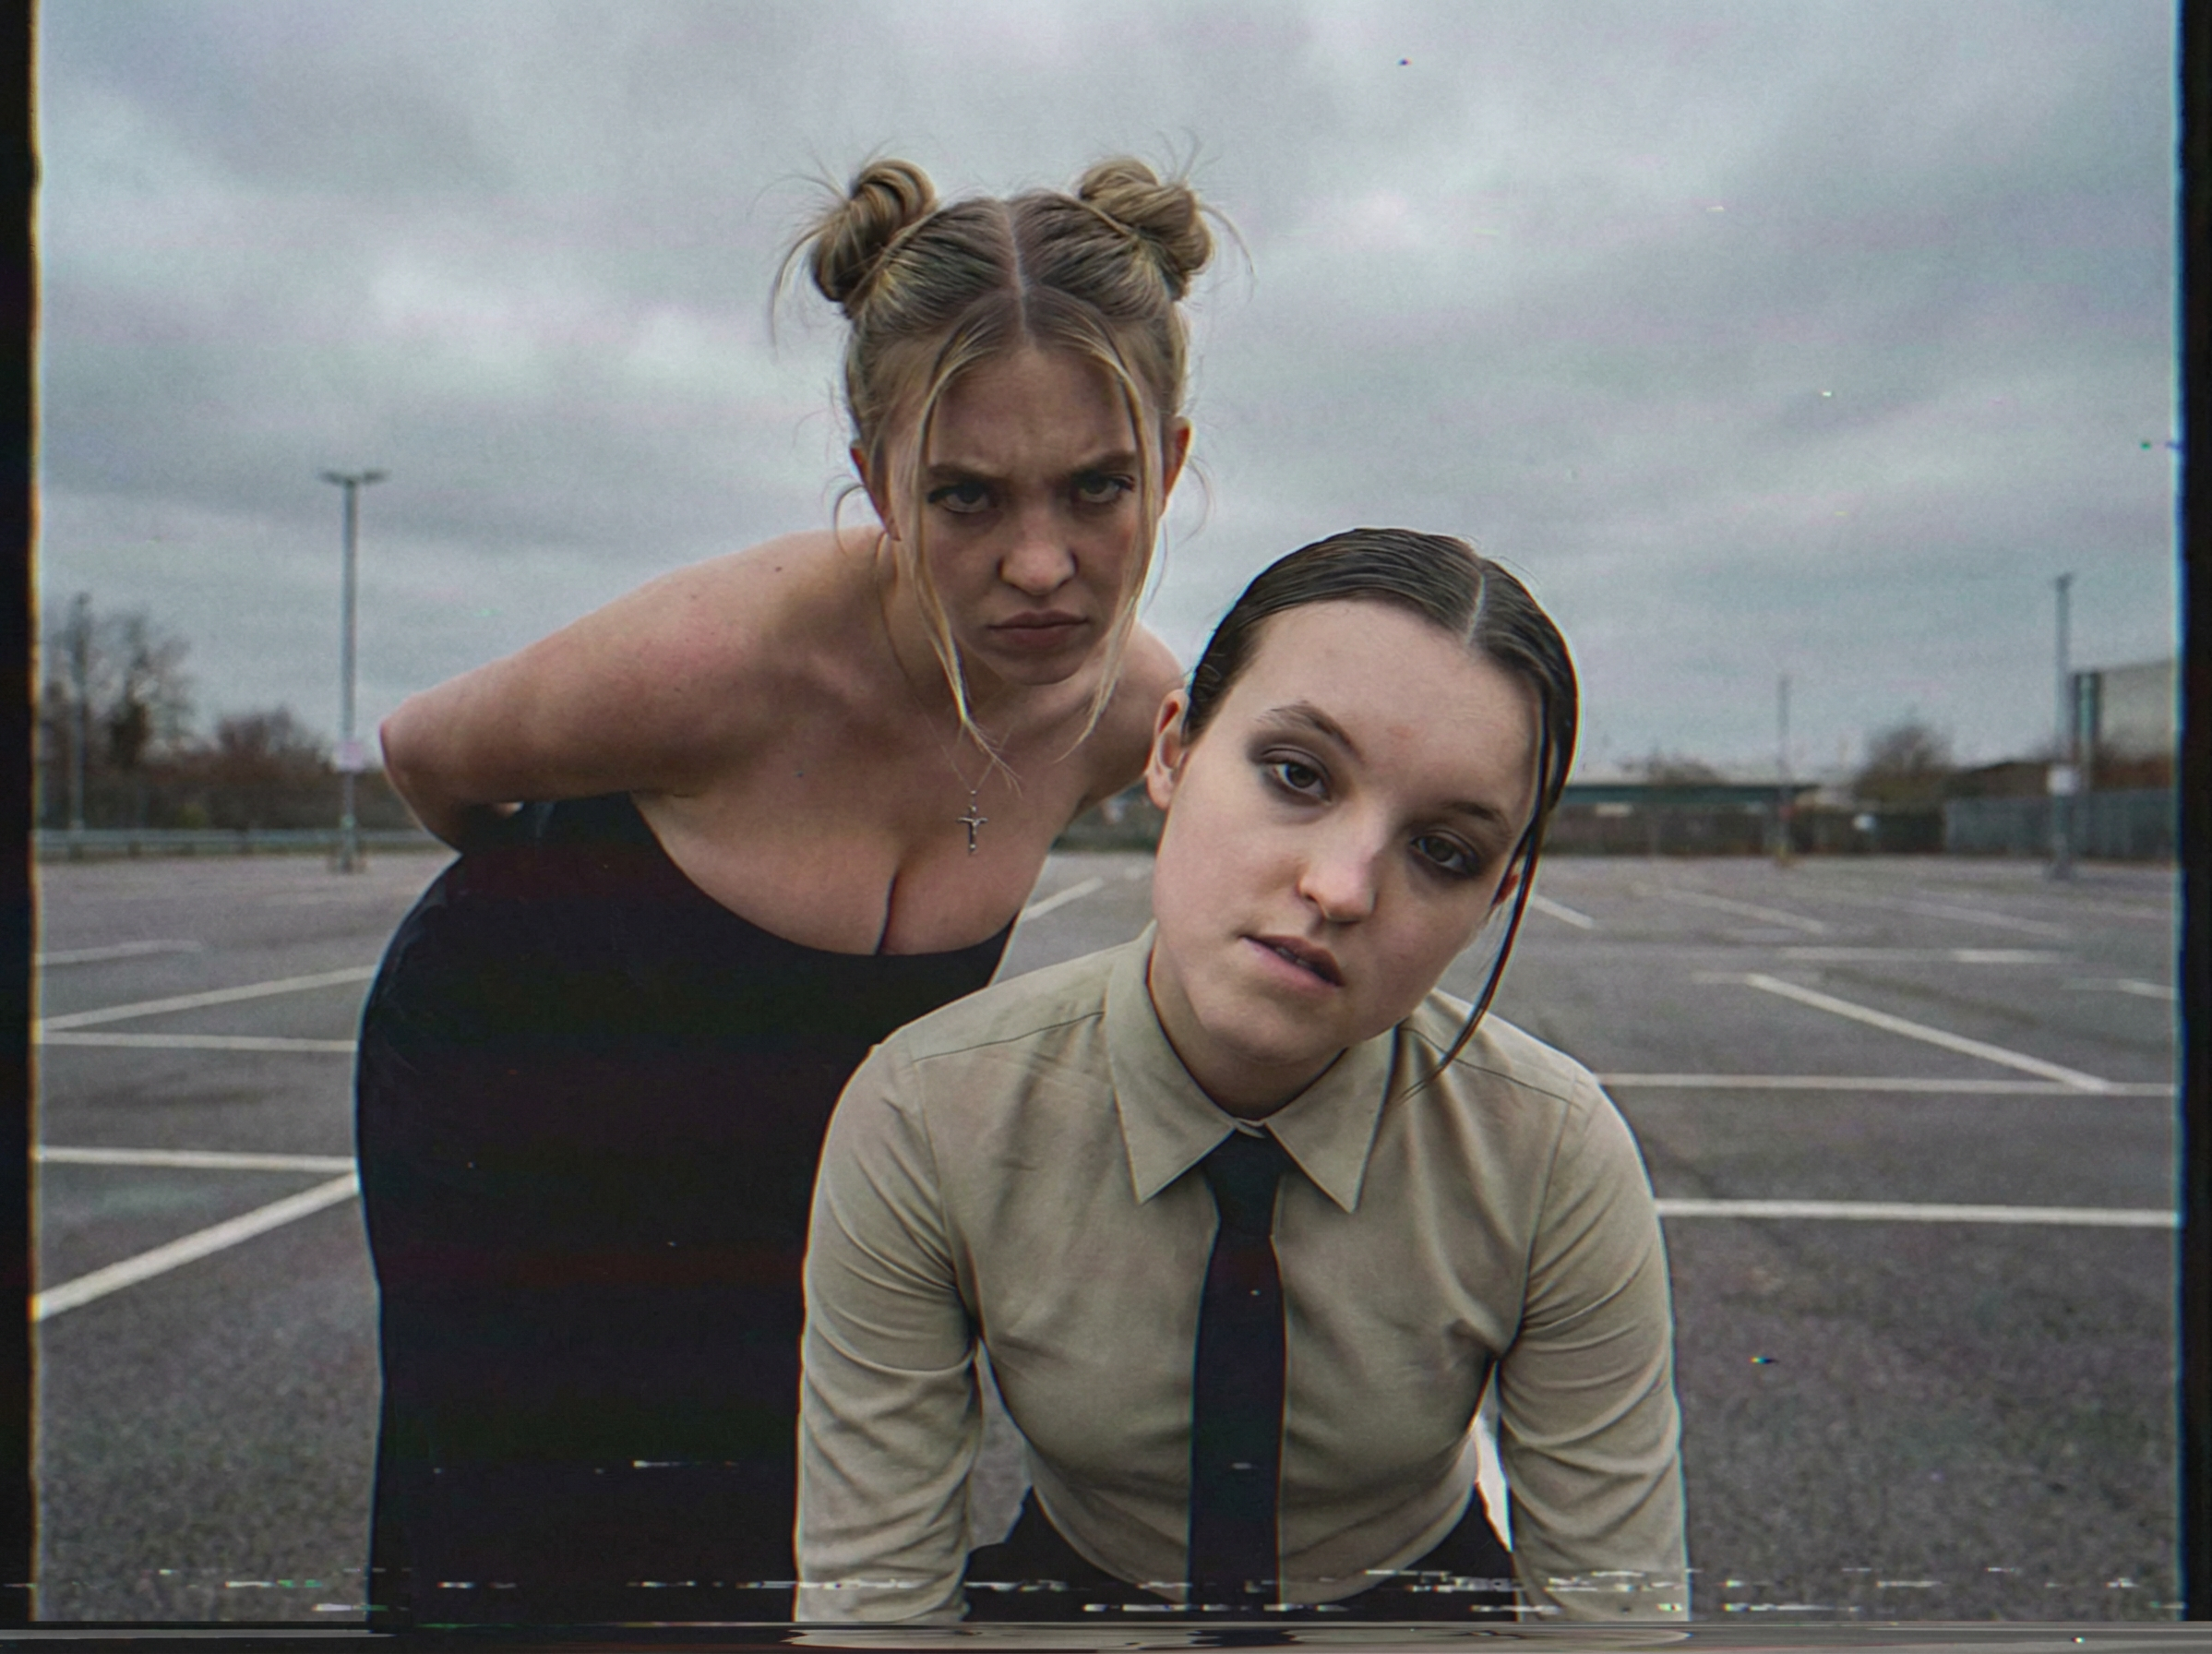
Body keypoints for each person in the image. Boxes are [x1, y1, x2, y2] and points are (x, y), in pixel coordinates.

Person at [353, 155, 1216, 1628]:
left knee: (790, 1519)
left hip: (793, 1132)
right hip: (516, 1092)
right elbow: (428, 759)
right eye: (965, 496)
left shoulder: (1125, 711)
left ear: (1169, 467)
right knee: (527, 1543)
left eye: (1096, 488)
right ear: (878, 481)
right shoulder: (715, 664)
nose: (1042, 565)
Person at [797, 528, 1686, 1624]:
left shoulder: (1552, 1151)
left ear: (1494, 897)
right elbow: (873, 1600)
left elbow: (1614, 1613)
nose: (1342, 888)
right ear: (1172, 749)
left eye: (1444, 851)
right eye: (1297, 774)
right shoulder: (927, 1111)